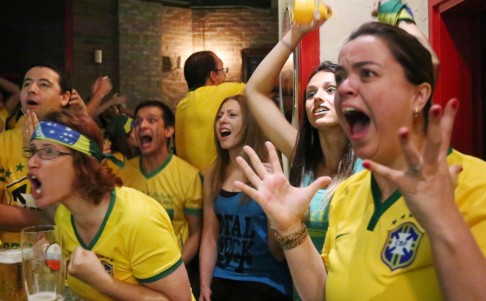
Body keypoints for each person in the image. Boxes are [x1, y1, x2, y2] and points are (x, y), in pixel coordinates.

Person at [233, 6, 486, 301]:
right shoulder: (346, 195)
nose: (346, 89)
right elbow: (322, 295)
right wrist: (290, 228)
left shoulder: (473, 184)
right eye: (344, 77)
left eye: (367, 74)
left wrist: (443, 221)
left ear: (419, 96)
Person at [25, 109, 194, 301]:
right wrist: (51, 258)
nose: (31, 162)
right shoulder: (65, 215)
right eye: (32, 151)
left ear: (83, 163)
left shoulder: (138, 218)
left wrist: (103, 282)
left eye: (48, 151)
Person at [244, 8, 361, 256]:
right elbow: (254, 91)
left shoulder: (371, 158)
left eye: (330, 90)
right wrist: (294, 34)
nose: (318, 98)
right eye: (311, 94)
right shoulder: (303, 156)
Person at [199, 95, 293, 301]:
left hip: (265, 280)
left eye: (232, 115)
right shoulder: (213, 174)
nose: (223, 120)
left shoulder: (268, 171)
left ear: (250, 124)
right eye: (220, 116)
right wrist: (205, 285)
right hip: (223, 277)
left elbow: (278, 252)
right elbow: (209, 235)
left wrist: (273, 202)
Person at [116, 100, 203, 291]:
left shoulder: (189, 176)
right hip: (130, 275)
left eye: (152, 120)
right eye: (137, 122)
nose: (142, 126)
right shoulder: (123, 175)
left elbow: (196, 233)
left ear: (169, 130)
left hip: (172, 273)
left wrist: (175, 268)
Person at [0, 63, 72, 248]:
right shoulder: (3, 142)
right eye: (26, 84)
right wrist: (47, 218)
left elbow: (84, 210)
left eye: (43, 85)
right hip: (13, 258)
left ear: (64, 97)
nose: (31, 89)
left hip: (66, 259)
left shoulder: (76, 142)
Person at [175, 51, 245, 174]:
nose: (225, 76)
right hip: (212, 182)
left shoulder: (181, 105)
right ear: (213, 75)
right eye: (223, 70)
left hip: (187, 181)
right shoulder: (217, 93)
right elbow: (259, 87)